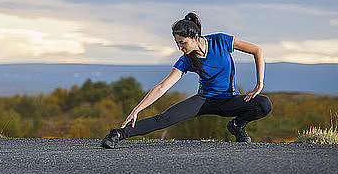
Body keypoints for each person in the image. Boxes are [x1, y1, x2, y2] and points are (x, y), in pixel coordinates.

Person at [100, 12, 272, 148]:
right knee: (164, 119)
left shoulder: (221, 40)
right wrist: (137, 109)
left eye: (182, 43)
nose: (180, 48)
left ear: (195, 37)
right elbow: (162, 87)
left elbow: (257, 50)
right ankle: (118, 134)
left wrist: (259, 84)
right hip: (204, 100)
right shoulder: (186, 60)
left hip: (229, 99)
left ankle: (236, 126)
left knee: (263, 104)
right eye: (177, 44)